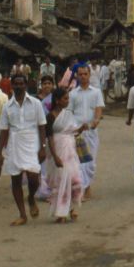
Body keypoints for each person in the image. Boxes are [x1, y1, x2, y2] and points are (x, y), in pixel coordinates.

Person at [0, 71, 48, 226]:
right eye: (16, 83)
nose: (19, 86)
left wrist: (43, 147)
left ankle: (31, 197)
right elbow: (4, 130)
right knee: (16, 179)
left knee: (34, 179)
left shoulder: (36, 103)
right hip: (14, 142)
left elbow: (42, 126)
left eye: (21, 83)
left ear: (26, 85)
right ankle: (22, 214)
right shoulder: (7, 106)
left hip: (32, 142)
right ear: (12, 86)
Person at [45, 87, 87, 222]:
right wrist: (55, 156)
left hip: (70, 150)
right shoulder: (50, 116)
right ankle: (61, 212)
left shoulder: (68, 114)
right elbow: (49, 137)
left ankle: (69, 209)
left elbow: (73, 131)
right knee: (60, 180)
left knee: (73, 180)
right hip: (57, 149)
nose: (68, 101)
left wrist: (81, 128)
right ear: (57, 101)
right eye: (65, 98)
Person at [69, 64, 104, 198]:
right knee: (78, 162)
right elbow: (70, 112)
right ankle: (81, 190)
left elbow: (98, 108)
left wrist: (96, 120)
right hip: (77, 132)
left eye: (85, 74)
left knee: (90, 163)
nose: (83, 77)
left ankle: (87, 186)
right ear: (77, 76)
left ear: (89, 75)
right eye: (80, 74)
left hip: (91, 132)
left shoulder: (96, 92)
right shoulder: (72, 94)